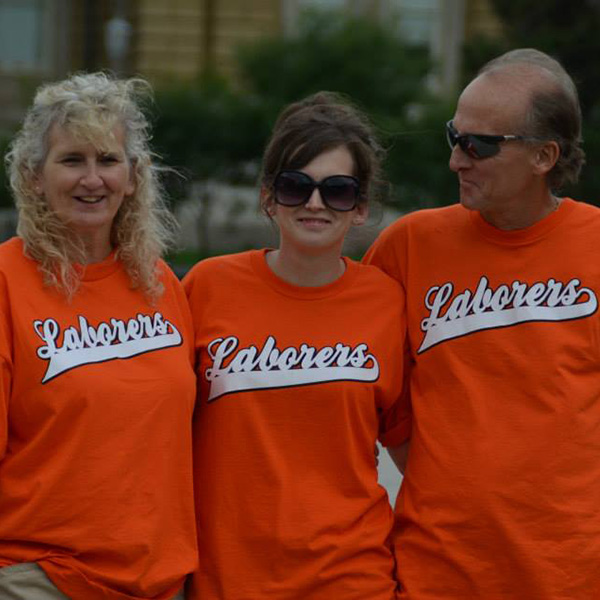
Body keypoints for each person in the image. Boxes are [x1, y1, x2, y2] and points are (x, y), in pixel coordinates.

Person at [364, 48, 600, 599]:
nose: (456, 160)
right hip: (435, 571)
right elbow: (366, 390)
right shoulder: (408, 246)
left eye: (480, 145)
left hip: (571, 574)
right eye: (455, 136)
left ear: (544, 155)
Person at [184, 91, 407, 599]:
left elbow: (410, 444)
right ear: (268, 196)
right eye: (294, 186)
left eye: (338, 190)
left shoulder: (387, 301)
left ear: (361, 206)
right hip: (228, 579)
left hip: (351, 579)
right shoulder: (206, 287)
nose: (314, 203)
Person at [0, 73, 197, 600]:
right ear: (33, 176)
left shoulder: (160, 286)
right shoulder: (5, 284)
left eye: (108, 160)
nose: (93, 179)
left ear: (134, 177)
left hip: (160, 581)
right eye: (72, 160)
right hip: (41, 579)